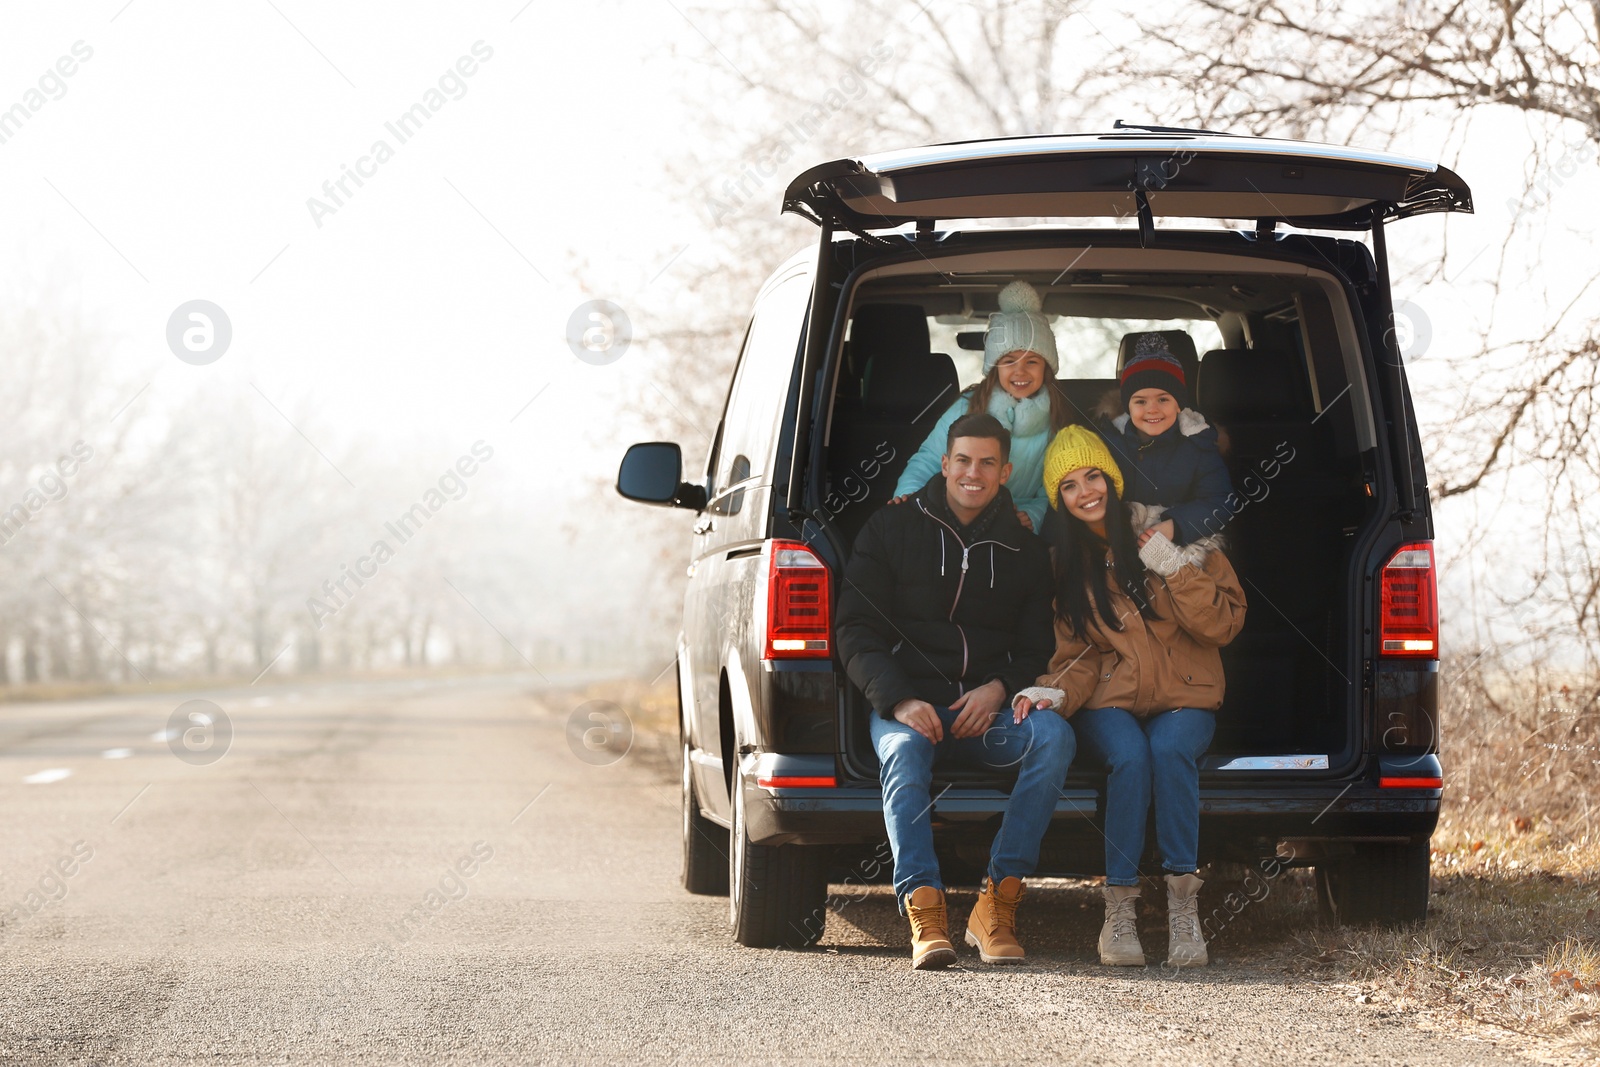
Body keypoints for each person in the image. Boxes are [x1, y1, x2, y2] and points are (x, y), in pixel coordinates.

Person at [836, 412, 1073, 970]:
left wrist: (999, 688)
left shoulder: (1024, 548)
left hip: (986, 718)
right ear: (944, 464)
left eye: (988, 462)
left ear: (1006, 471)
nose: (974, 472)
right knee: (902, 752)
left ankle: (997, 905)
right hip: (910, 706)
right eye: (963, 460)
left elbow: (1037, 646)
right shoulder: (890, 528)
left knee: (1054, 738)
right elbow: (854, 629)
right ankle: (925, 909)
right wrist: (898, 700)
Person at [1013, 425, 1246, 968]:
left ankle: (1183, 911)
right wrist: (1048, 693)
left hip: (1185, 695)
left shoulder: (1180, 538)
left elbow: (1223, 625)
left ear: (1112, 481)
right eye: (1068, 486)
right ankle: (1118, 911)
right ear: (1059, 499)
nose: (1085, 492)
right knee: (1130, 755)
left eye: (1093, 476)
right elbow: (1076, 657)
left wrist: (1173, 566)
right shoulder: (1065, 565)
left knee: (1168, 750)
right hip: (1109, 698)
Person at [891, 280, 1076, 532]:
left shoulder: (1057, 418)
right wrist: (908, 497)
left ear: (1047, 367)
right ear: (994, 367)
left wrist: (1031, 515)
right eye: (1009, 360)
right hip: (956, 513)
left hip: (1013, 522)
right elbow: (928, 460)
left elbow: (1052, 487)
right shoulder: (967, 406)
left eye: (1032, 361)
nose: (1020, 370)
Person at [1094, 333, 1234, 546]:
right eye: (1140, 401)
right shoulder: (1109, 442)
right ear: (1128, 407)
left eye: (1163, 399)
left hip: (1177, 541)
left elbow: (1220, 500)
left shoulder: (1199, 443)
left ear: (1179, 405)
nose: (1152, 409)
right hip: (1118, 539)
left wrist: (1176, 525)